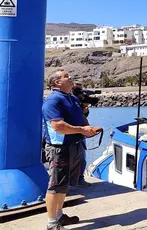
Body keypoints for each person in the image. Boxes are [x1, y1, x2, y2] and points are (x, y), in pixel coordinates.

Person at [42, 69, 100, 230]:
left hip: (74, 146)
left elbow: (80, 118)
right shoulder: (52, 101)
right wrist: (82, 130)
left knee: (64, 184)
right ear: (56, 83)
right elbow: (58, 126)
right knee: (55, 185)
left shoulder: (71, 98)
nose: (70, 78)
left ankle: (59, 215)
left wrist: (87, 126)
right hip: (59, 149)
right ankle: (52, 223)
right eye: (66, 76)